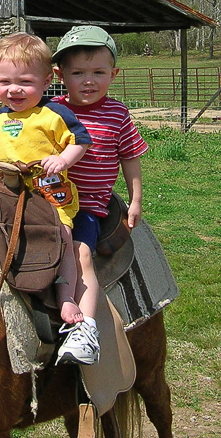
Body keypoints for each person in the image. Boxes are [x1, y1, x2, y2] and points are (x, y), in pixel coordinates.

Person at [0, 32, 93, 344]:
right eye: (5, 82)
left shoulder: (53, 114)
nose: (14, 90)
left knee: (64, 236)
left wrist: (63, 159)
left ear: (45, 82)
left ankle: (66, 293)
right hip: (11, 193)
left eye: (25, 82)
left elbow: (80, 141)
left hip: (50, 191)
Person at [51, 25, 148, 366]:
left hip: (87, 205)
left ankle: (87, 328)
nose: (88, 81)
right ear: (60, 75)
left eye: (98, 72)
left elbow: (130, 158)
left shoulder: (118, 114)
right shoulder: (49, 111)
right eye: (78, 73)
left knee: (80, 255)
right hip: (47, 201)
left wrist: (135, 200)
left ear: (114, 74)